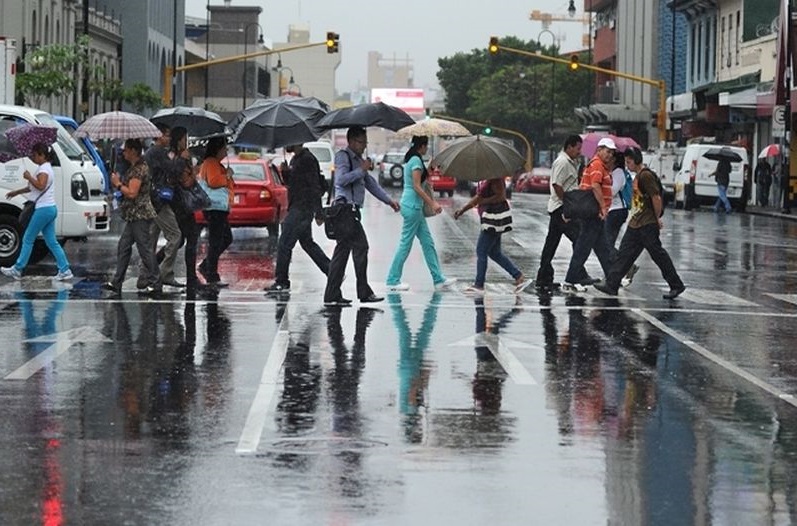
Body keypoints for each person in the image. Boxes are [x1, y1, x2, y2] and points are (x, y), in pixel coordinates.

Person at [594, 147, 686, 300]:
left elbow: (656, 197)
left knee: (658, 255)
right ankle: (612, 284)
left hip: (646, 224)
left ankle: (676, 285)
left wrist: (656, 217)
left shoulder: (646, 176)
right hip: (636, 223)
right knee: (624, 254)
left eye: (629, 161)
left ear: (636, 160)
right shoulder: (638, 176)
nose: (627, 164)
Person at [323, 126, 400, 305]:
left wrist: (389, 200)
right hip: (344, 210)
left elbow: (370, 184)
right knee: (360, 248)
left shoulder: (359, 160)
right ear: (351, 141)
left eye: (365, 142)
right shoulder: (343, 157)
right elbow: (341, 180)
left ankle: (332, 294)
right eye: (361, 142)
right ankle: (362, 292)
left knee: (342, 253)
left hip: (352, 211)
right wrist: (361, 169)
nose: (364, 146)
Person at [385, 135, 455, 292]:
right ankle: (392, 279)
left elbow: (421, 179)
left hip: (413, 206)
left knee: (428, 243)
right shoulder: (415, 161)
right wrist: (433, 203)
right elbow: (417, 186)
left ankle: (438, 279)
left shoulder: (414, 160)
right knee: (405, 244)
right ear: (421, 146)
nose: (426, 148)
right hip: (412, 206)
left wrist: (430, 167)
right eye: (426, 146)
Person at [1, 143, 73, 281]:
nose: (33, 158)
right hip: (50, 208)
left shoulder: (44, 169)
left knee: (28, 238)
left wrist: (29, 177)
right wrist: (17, 192)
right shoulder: (45, 168)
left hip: (43, 209)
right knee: (51, 241)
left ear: (42, 155)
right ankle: (65, 269)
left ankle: (17, 269)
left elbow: (40, 186)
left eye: (35, 155)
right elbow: (32, 188)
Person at [265, 143, 330, 293]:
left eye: (289, 142)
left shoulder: (307, 159)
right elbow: (293, 184)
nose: (286, 145)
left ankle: (281, 281)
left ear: (298, 142)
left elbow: (314, 186)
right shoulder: (296, 159)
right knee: (307, 243)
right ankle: (333, 271)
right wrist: (286, 173)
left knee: (284, 244)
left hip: (302, 208)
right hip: (297, 206)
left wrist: (319, 213)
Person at [103, 139, 160, 295]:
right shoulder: (134, 168)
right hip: (133, 215)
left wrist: (118, 184)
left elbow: (133, 193)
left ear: (134, 151)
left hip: (140, 214)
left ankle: (155, 281)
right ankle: (117, 281)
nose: (124, 153)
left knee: (145, 249)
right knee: (124, 246)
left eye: (127, 150)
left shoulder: (139, 169)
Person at [453, 177, 530, 294]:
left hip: (493, 220)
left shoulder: (495, 178)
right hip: (491, 219)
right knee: (494, 253)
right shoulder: (488, 179)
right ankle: (518, 276)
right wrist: (463, 209)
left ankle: (479, 284)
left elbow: (501, 196)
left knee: (481, 250)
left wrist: (482, 201)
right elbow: (478, 197)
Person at [534, 134, 591, 290]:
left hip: (562, 208)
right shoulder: (562, 162)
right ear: (569, 147)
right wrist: (566, 206)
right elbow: (557, 185)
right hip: (561, 208)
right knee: (579, 239)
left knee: (552, 243)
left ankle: (544, 276)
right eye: (577, 148)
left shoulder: (571, 162)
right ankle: (578, 273)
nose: (579, 152)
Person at [562, 137, 616, 293]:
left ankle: (612, 281)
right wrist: (603, 207)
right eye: (607, 151)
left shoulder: (600, 165)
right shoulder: (598, 165)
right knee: (583, 248)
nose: (610, 155)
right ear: (599, 150)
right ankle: (570, 280)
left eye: (611, 153)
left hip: (594, 214)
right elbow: (595, 186)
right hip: (593, 213)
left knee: (602, 248)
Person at [138, 123, 185, 289]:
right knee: (175, 235)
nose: (169, 138)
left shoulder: (152, 152)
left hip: (151, 199)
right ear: (158, 136)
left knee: (150, 239)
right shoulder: (157, 152)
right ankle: (165, 272)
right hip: (158, 201)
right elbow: (173, 170)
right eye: (166, 135)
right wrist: (182, 159)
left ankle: (144, 275)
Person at [197, 136, 234, 288]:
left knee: (225, 238)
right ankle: (211, 274)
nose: (226, 150)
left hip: (219, 207)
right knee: (216, 241)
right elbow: (214, 182)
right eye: (224, 147)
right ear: (218, 148)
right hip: (215, 207)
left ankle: (207, 266)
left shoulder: (215, 163)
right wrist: (227, 176)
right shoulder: (211, 162)